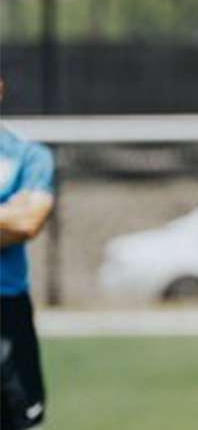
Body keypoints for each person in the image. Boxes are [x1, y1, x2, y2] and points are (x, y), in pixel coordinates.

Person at [0, 78, 56, 430]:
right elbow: (16, 220)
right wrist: (9, 210)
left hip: (7, 310)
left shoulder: (28, 155)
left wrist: (19, 219)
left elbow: (29, 223)